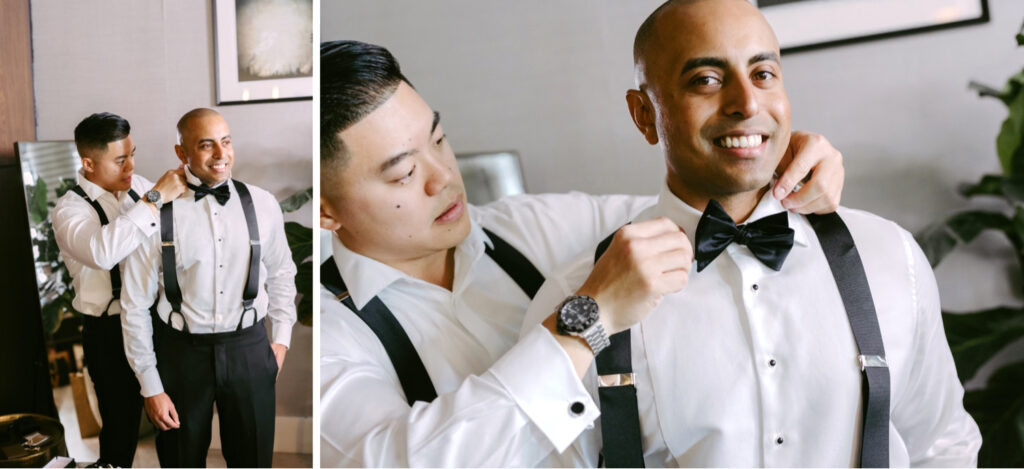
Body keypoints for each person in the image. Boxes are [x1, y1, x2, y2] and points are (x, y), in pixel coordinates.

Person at [319, 40, 845, 467]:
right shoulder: (326, 338)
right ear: (325, 212)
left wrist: (771, 163)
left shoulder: (531, 227)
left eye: (439, 140)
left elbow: (697, 211)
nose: (443, 178)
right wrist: (588, 319)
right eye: (404, 174)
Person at [522, 0, 982, 466]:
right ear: (644, 114)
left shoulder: (888, 254)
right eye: (706, 80)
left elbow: (942, 445)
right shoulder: (577, 302)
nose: (747, 103)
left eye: (763, 74)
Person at [120, 108, 297, 468]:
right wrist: (151, 386)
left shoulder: (262, 204)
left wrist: (280, 339)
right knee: (179, 460)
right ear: (182, 152)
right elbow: (134, 304)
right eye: (206, 145)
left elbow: (281, 273)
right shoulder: (153, 211)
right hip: (180, 354)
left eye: (226, 141)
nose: (221, 154)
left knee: (253, 460)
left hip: (249, 349)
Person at [52, 112, 186, 468]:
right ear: (88, 162)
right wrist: (155, 199)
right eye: (120, 159)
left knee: (172, 421)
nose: (131, 166)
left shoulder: (140, 187)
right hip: (108, 332)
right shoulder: (69, 210)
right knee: (120, 427)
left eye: (132, 154)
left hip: (155, 320)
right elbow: (102, 251)